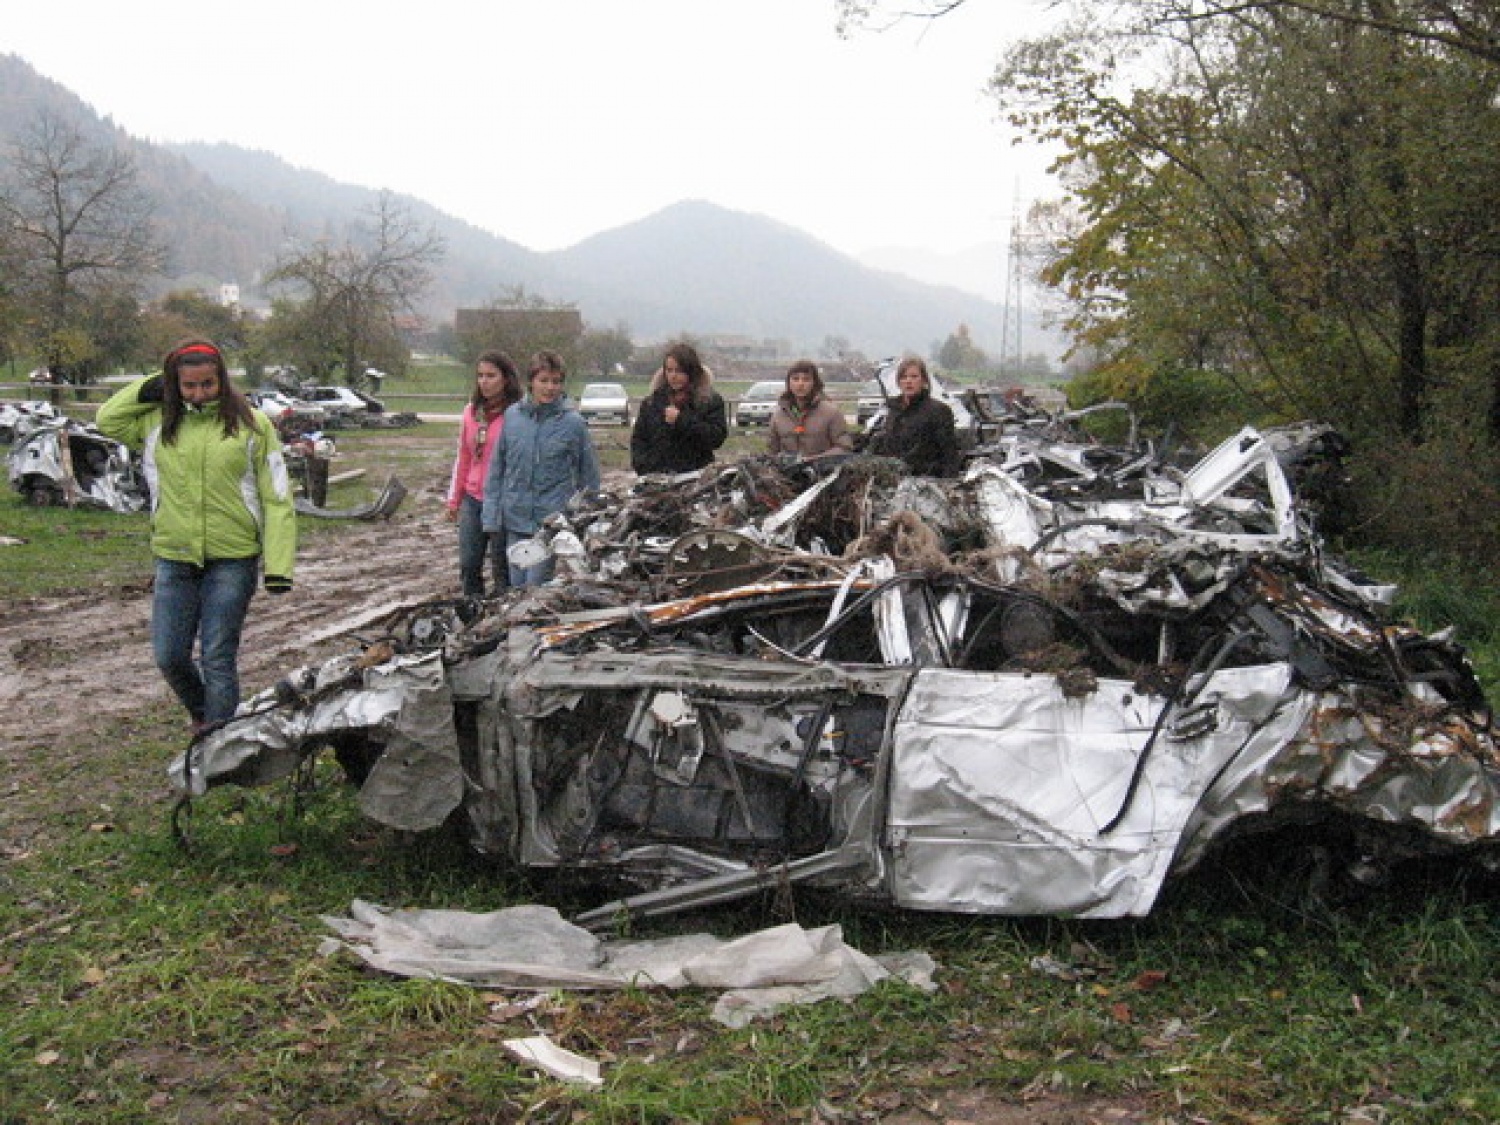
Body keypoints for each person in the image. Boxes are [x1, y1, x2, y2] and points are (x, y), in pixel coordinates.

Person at [97, 339, 296, 733]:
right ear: (175, 385)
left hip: (234, 558)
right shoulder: (156, 425)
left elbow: (277, 498)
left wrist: (278, 564)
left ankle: (220, 745)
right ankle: (209, 718)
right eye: (189, 386)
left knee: (217, 656)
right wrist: (152, 385)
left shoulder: (253, 426)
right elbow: (107, 419)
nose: (200, 393)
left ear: (222, 380)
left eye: (208, 384)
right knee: (169, 655)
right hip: (175, 556)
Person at [481, 350, 600, 587]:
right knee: (515, 587)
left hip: (550, 523)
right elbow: (497, 469)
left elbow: (588, 476)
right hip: (515, 519)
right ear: (531, 382)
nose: (550, 388)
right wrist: (492, 517)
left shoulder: (572, 423)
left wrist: (586, 518)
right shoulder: (513, 417)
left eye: (556, 381)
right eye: (543, 380)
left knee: (533, 588)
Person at [445, 350, 521, 597]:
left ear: (506, 379)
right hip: (473, 497)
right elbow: (464, 456)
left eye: (491, 376)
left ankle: (502, 615)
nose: (484, 382)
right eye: (480, 376)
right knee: (469, 563)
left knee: (502, 567)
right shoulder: (471, 412)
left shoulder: (517, 415)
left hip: (503, 499)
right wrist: (454, 499)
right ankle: (472, 610)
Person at [629, 342, 728, 474]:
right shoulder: (652, 403)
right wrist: (644, 467)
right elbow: (639, 440)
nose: (673, 376)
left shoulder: (709, 401)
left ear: (691, 372)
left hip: (696, 479)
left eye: (679, 371)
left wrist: (681, 420)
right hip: (656, 481)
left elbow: (716, 438)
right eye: (669, 370)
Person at [867, 356, 961, 478]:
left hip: (926, 480)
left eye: (914, 376)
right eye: (904, 377)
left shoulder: (938, 411)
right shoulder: (893, 410)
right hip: (894, 480)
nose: (908, 381)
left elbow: (949, 455)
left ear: (924, 380)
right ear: (898, 382)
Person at [767, 359, 852, 459]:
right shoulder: (778, 416)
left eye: (806, 379)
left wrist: (813, 460)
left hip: (823, 472)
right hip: (787, 473)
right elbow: (772, 452)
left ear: (814, 383)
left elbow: (844, 447)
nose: (800, 384)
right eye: (795, 379)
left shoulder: (832, 413)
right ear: (788, 383)